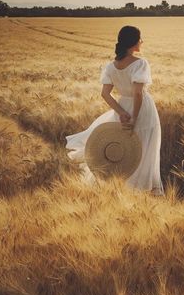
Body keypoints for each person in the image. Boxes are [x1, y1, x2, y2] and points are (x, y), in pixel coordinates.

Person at [65, 25, 164, 196]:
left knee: (125, 152)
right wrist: (133, 118)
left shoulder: (111, 66)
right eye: (140, 38)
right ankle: (144, 191)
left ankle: (122, 190)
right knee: (145, 150)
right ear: (133, 42)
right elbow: (138, 94)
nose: (142, 41)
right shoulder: (140, 63)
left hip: (123, 108)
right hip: (143, 111)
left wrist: (121, 113)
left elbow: (105, 94)